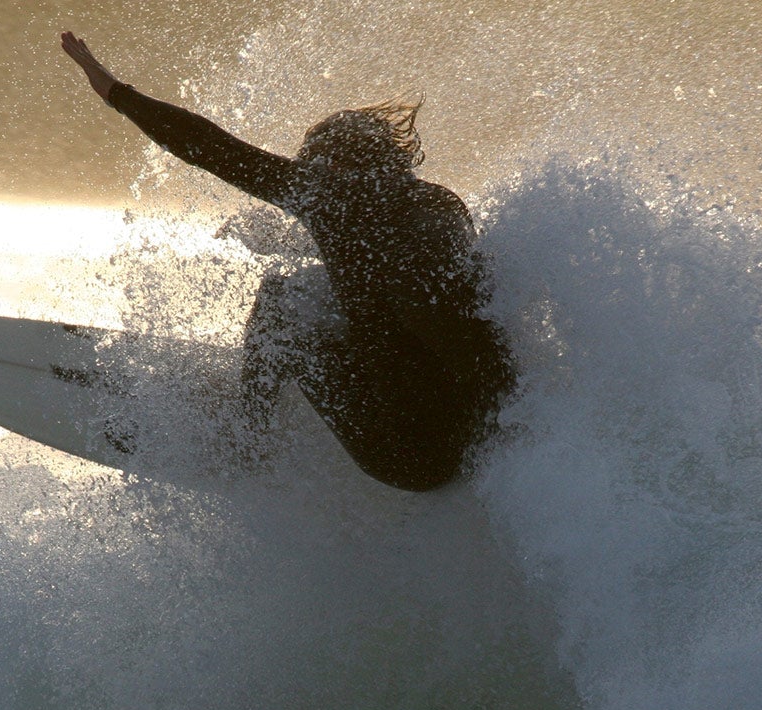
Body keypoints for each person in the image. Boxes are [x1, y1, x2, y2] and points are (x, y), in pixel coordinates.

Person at [62, 32, 513, 491]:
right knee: (335, 297)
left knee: (282, 301)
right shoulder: (440, 204)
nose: (303, 171)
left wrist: (116, 92)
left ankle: (246, 433)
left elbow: (211, 147)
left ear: (334, 167)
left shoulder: (332, 199)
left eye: (310, 161)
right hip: (472, 437)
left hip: (403, 457)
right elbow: (433, 302)